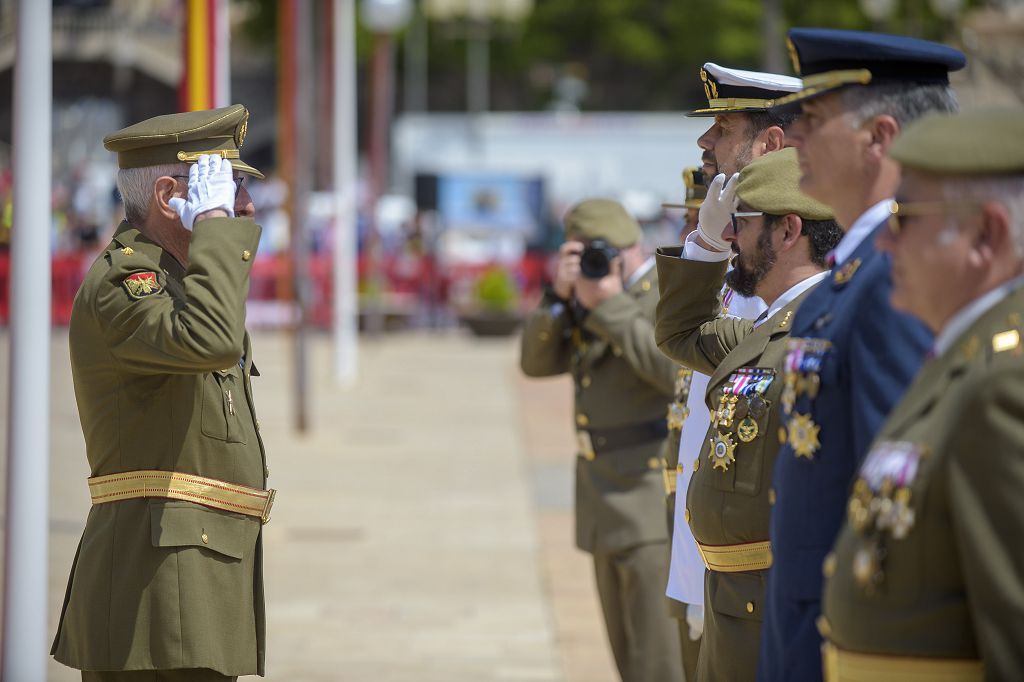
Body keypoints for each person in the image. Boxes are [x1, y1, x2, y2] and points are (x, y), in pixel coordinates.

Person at [757, 29, 966, 682]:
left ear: (879, 138)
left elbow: (899, 509)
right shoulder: (854, 277)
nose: (791, 140)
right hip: (805, 630)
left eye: (812, 120)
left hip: (849, 648)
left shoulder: (892, 282)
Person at [51, 104, 273, 681]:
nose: (245, 207)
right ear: (169, 195)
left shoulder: (184, 281)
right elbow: (211, 342)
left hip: (192, 573)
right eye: (228, 187)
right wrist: (217, 228)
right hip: (156, 587)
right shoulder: (126, 284)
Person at [820, 108, 1024, 681]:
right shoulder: (962, 359)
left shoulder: (1004, 387)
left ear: (986, 234)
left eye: (904, 217)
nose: (884, 242)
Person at [656, 148, 843, 681]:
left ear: (787, 231)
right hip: (735, 601)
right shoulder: (767, 329)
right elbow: (679, 333)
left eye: (740, 224)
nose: (733, 238)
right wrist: (707, 243)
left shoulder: (822, 326)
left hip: (777, 605)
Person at [661, 62, 800, 679]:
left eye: (722, 128)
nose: (704, 143)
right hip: (717, 559)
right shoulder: (732, 243)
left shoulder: (791, 253)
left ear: (770, 144)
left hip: (767, 576)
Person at [520, 198, 682, 682]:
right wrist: (557, 295)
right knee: (625, 655)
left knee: (659, 661)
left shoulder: (662, 293)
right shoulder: (581, 299)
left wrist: (608, 302)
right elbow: (535, 363)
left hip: (648, 495)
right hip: (600, 492)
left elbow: (670, 373)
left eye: (598, 255)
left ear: (629, 251)